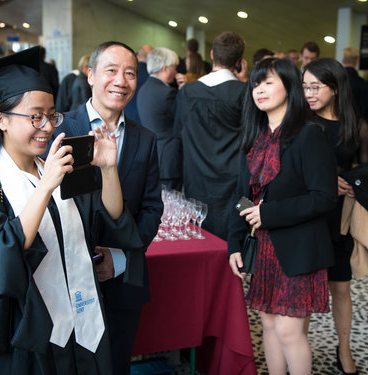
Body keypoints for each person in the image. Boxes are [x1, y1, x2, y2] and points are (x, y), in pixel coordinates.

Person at [0, 46, 142, 374]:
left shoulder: (55, 165)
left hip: (84, 323)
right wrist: (45, 188)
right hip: (30, 335)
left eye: (51, 115)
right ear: (1, 120)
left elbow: (108, 222)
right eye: (34, 116)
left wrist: (109, 170)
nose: (46, 126)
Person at [49, 41, 163, 375]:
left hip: (123, 280)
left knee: (116, 363)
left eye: (130, 73)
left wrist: (122, 258)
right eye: (111, 71)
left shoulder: (146, 138)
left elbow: (153, 208)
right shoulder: (61, 129)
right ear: (90, 75)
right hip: (66, 282)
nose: (121, 81)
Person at [228, 57, 337, 374]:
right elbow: (241, 196)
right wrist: (234, 243)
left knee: (289, 331)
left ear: (290, 86)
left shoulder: (309, 135)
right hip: (263, 250)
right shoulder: (255, 138)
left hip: (298, 248)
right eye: (256, 84)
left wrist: (269, 213)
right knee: (269, 325)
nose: (259, 90)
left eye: (269, 82)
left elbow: (324, 197)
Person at [303, 57, 368, 375]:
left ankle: (343, 351)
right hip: (308, 216)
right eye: (305, 87)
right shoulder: (301, 122)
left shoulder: (355, 125)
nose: (309, 93)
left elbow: (366, 170)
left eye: (315, 87)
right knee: (302, 287)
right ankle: (297, 348)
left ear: (335, 87)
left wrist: (357, 185)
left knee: (341, 288)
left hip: (339, 218)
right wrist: (326, 179)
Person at [174, 31, 248, 240]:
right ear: (240, 61)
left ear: (212, 54)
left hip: (195, 179)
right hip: (231, 182)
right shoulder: (243, 93)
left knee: (199, 242)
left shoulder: (188, 92)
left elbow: (177, 135)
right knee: (231, 247)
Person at [137, 47, 181, 189]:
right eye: (174, 67)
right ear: (165, 68)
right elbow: (181, 122)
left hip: (152, 155)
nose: (176, 72)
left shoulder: (143, 90)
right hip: (169, 159)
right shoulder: (168, 93)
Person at [123, 44, 152, 124]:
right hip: (145, 120)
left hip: (127, 116)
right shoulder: (152, 76)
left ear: (137, 56)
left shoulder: (127, 74)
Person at [342, 47, 368, 118]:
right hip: (355, 121)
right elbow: (366, 107)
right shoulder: (362, 83)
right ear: (357, 61)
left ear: (343, 60)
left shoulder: (335, 79)